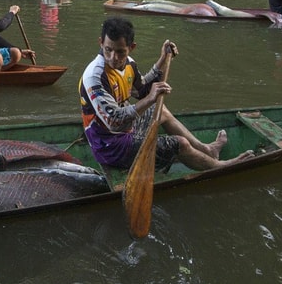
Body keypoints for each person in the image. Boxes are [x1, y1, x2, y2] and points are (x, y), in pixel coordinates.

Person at [78, 17, 254, 171]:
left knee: (160, 110)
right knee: (180, 144)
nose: (113, 57)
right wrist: (149, 99)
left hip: (126, 130)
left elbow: (142, 88)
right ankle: (219, 167)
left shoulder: (129, 64)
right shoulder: (96, 76)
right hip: (110, 145)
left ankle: (207, 150)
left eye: (120, 52)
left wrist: (162, 60)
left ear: (131, 47)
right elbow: (114, 122)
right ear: (101, 42)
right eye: (108, 49)